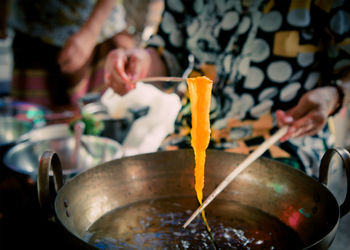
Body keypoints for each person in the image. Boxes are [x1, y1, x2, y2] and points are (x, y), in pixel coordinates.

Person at [104, 0, 350, 178]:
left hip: (283, 138)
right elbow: (169, 53)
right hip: (195, 132)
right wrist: (140, 62)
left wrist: (334, 95)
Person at [6, 0, 134, 110]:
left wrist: (90, 32)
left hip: (95, 32)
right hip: (32, 33)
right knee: (33, 123)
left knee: (92, 120)